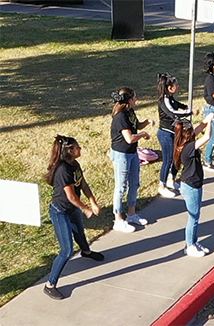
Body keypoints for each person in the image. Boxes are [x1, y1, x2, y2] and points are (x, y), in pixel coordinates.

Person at [44, 135, 104, 300]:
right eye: (78, 147)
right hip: (60, 211)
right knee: (67, 250)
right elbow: (70, 196)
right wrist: (85, 209)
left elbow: (82, 184)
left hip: (72, 209)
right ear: (70, 151)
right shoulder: (63, 170)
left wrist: (93, 202)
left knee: (80, 233)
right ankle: (50, 285)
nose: (80, 149)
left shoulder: (74, 164)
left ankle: (86, 252)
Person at [110, 87, 154, 232]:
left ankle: (132, 214)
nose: (136, 99)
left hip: (132, 152)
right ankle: (118, 219)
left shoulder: (130, 112)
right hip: (122, 154)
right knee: (121, 187)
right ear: (128, 100)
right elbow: (129, 138)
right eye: (134, 97)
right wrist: (143, 135)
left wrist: (146, 122)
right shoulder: (120, 116)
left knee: (134, 184)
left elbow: (135, 126)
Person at [173, 113, 214, 257]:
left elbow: (199, 129)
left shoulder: (184, 142)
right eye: (191, 130)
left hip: (193, 183)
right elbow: (207, 137)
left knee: (195, 216)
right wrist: (210, 123)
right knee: (194, 217)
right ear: (187, 134)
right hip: (191, 186)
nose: (194, 131)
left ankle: (194, 242)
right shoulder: (188, 147)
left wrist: (205, 120)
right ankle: (190, 245)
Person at [156, 73, 193, 198]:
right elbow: (172, 113)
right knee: (168, 160)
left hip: (174, 132)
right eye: (176, 85)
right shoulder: (163, 100)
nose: (178, 86)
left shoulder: (170, 98)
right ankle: (162, 185)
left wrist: (184, 106)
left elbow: (176, 104)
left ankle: (172, 180)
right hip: (166, 133)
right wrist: (188, 112)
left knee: (177, 157)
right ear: (170, 87)